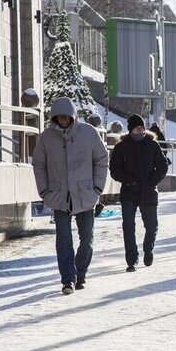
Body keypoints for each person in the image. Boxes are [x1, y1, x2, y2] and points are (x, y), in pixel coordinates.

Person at [32, 97, 109, 295]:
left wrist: (97, 188)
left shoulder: (88, 133)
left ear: (73, 116)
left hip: (85, 195)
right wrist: (44, 190)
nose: (64, 120)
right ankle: (68, 279)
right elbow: (38, 164)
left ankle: (80, 272)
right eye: (60, 117)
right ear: (55, 117)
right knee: (63, 239)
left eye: (67, 116)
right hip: (58, 195)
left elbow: (102, 158)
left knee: (87, 239)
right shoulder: (46, 137)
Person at [110, 114, 168, 272]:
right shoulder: (121, 147)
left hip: (148, 191)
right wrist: (129, 180)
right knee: (128, 227)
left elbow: (163, 165)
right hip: (129, 192)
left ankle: (148, 249)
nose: (140, 130)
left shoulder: (152, 145)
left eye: (142, 127)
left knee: (152, 226)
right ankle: (131, 260)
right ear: (130, 129)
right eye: (137, 128)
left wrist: (152, 181)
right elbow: (114, 170)